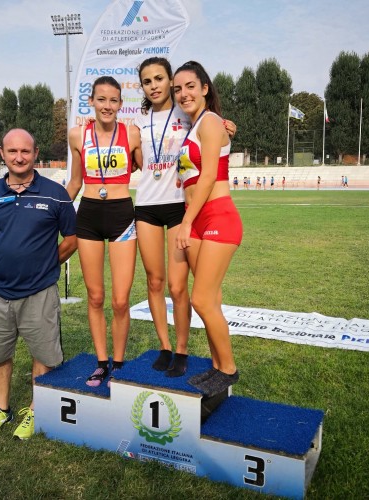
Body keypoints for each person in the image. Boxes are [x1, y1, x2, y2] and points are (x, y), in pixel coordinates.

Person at [0, 129, 77, 440]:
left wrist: (44, 263)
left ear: (35, 153)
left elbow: (72, 239)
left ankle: (34, 407)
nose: (19, 157)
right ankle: (1, 409)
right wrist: (3, 255)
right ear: (1, 153)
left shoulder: (55, 193)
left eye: (25, 151)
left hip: (39, 289)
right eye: (12, 151)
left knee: (42, 352)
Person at [135, 57, 237, 377]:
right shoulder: (139, 122)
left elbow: (215, 142)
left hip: (184, 210)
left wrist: (226, 126)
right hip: (151, 205)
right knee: (157, 282)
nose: (156, 86)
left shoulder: (192, 115)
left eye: (162, 80)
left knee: (189, 291)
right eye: (147, 81)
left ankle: (192, 354)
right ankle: (168, 348)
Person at [66, 76, 142, 387]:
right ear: (92, 102)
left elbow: (152, 167)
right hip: (88, 216)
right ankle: (101, 362)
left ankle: (119, 364)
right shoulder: (77, 135)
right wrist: (52, 213)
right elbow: (74, 182)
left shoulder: (133, 133)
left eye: (113, 100)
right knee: (95, 297)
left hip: (122, 214)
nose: (107, 105)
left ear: (120, 104)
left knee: (120, 300)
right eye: (102, 99)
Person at [173, 61, 242, 397]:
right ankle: (216, 367)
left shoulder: (211, 121)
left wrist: (185, 223)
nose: (183, 93)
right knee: (210, 297)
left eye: (189, 86)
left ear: (204, 88)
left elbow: (211, 174)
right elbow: (190, 174)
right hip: (197, 215)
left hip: (216, 216)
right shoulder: (194, 126)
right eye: (177, 89)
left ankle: (228, 369)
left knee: (200, 297)